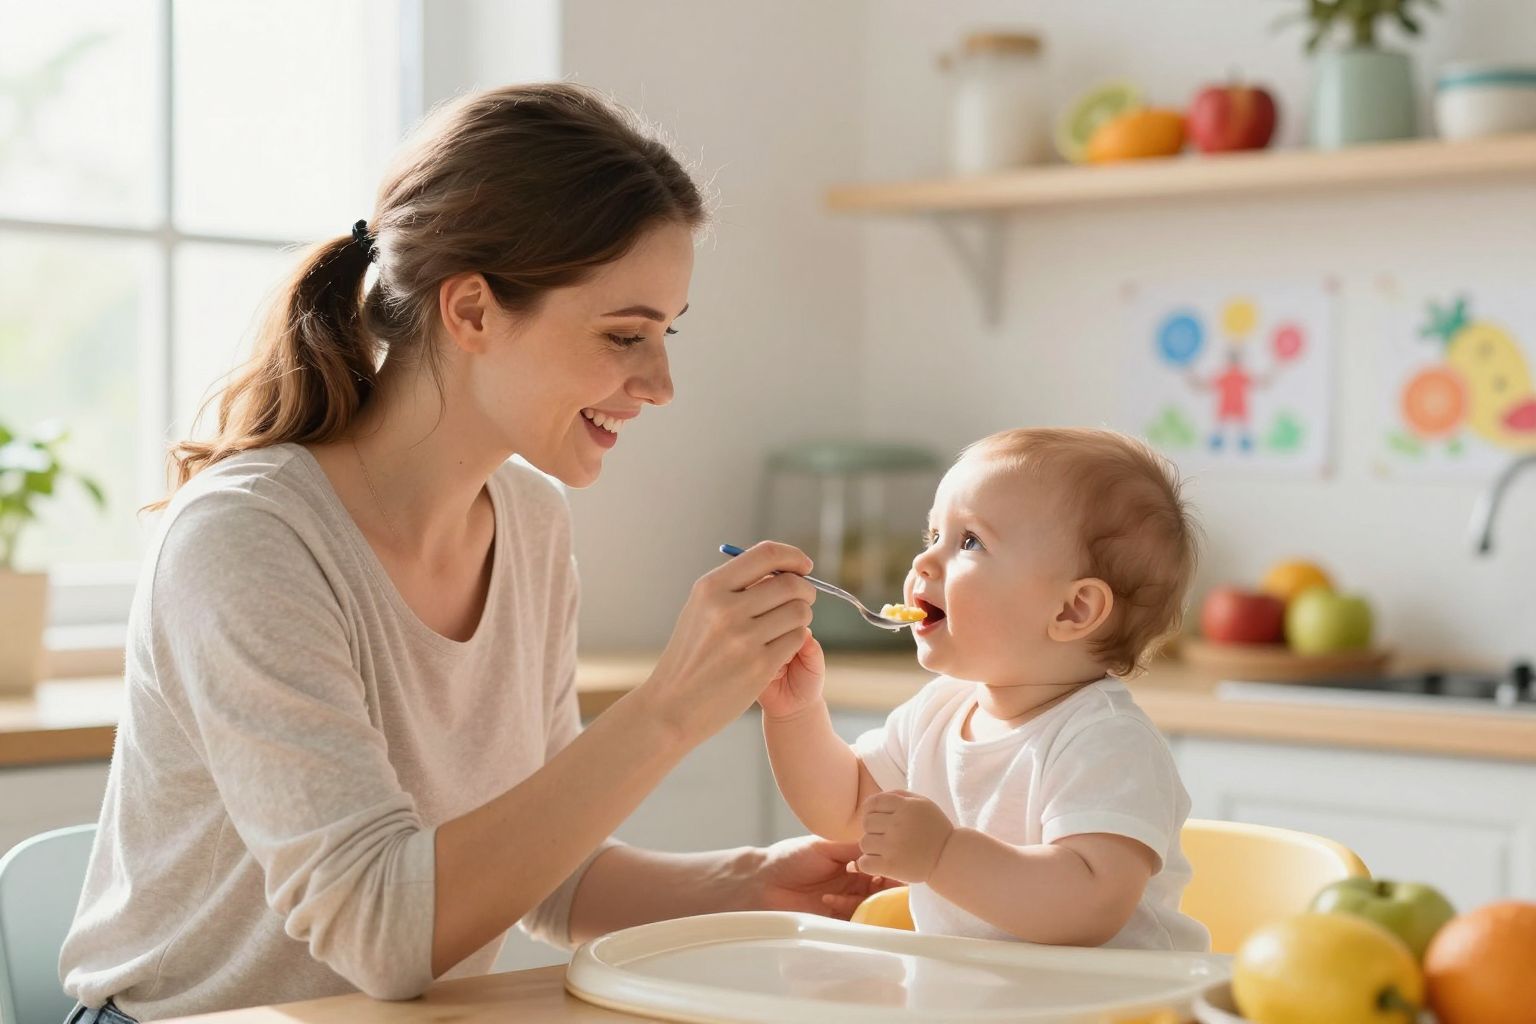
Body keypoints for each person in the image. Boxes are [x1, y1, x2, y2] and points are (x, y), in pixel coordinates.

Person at [59, 83, 884, 1024]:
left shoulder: (527, 519)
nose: (659, 385)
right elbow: (384, 933)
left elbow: (544, 876)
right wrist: (669, 707)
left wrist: (753, 882)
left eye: (666, 335)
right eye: (626, 335)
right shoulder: (246, 540)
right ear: (473, 312)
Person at [760, 427, 1211, 951]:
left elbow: (1089, 905)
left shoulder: (1106, 742)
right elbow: (842, 810)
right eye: (933, 538)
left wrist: (944, 855)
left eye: (969, 541)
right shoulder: (939, 709)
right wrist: (795, 714)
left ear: (1072, 610)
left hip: (1117, 1004)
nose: (922, 563)